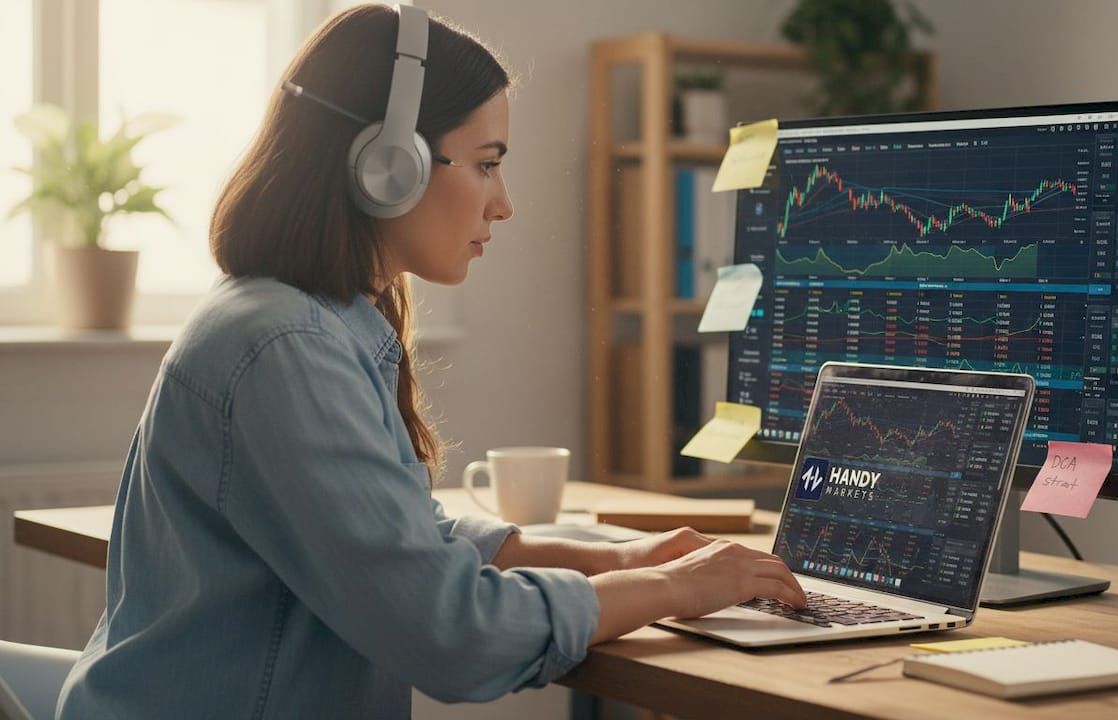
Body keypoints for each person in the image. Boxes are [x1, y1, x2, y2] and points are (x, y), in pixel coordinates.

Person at [56, 4, 805, 718]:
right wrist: (673, 587)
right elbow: (454, 633)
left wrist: (612, 561)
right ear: (389, 166)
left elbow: (397, 541)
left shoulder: (310, 319)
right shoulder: (288, 349)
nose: (503, 202)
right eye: (485, 164)